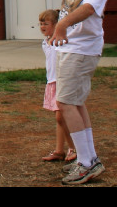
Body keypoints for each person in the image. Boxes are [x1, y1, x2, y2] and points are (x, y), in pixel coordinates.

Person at [50, 0, 109, 185]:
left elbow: (87, 9)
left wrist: (63, 26)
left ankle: (86, 164)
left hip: (82, 49)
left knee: (66, 103)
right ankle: (88, 158)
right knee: (75, 103)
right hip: (68, 46)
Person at [38, 9, 76, 164]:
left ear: (56, 24)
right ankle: (59, 151)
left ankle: (74, 148)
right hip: (52, 82)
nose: (42, 26)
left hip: (63, 81)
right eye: (40, 23)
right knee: (59, 119)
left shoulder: (61, 41)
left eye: (46, 23)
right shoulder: (45, 42)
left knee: (61, 117)